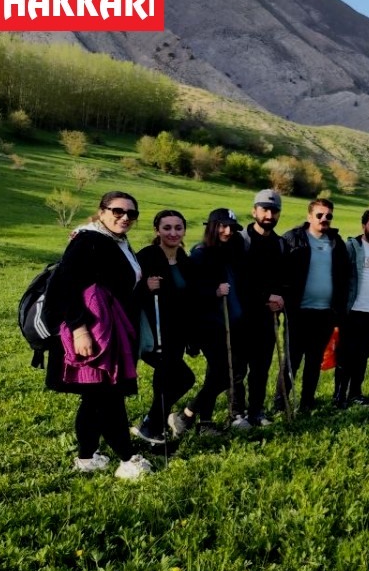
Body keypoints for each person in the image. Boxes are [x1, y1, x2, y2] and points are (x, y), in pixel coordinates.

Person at [46, 191, 152, 479]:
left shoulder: (117, 241)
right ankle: (128, 461)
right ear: (102, 211)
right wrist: (79, 329)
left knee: (94, 398)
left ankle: (86, 458)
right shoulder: (88, 240)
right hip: (93, 333)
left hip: (110, 331)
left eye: (131, 213)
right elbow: (66, 288)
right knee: (109, 397)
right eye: (118, 211)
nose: (125, 217)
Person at [176, 208, 248, 436]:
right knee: (222, 375)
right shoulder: (200, 254)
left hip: (231, 324)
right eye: (222, 226)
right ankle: (186, 414)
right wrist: (214, 292)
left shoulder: (231, 252)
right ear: (212, 227)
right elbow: (190, 292)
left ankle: (203, 422)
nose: (227, 231)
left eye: (232, 228)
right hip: (210, 325)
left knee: (219, 374)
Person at [131, 209, 196, 445]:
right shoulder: (147, 255)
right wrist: (145, 287)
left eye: (178, 228)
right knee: (181, 378)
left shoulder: (185, 259)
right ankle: (152, 425)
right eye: (167, 228)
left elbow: (190, 299)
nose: (173, 233)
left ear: (184, 231)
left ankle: (152, 425)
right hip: (153, 332)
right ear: (157, 230)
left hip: (177, 333)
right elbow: (127, 289)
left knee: (172, 379)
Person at [281, 198, 350, 413]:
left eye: (328, 216)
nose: (324, 219)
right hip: (298, 312)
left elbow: (344, 277)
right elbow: (281, 271)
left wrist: (339, 309)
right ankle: (281, 402)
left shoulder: (336, 242)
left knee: (314, 359)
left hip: (326, 313)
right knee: (292, 359)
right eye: (319, 215)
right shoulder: (293, 239)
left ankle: (307, 401)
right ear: (309, 216)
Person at [236, 188, 286, 426]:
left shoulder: (280, 244)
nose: (269, 215)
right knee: (238, 369)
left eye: (274, 211)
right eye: (265, 210)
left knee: (261, 368)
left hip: (268, 318)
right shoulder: (240, 241)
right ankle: (237, 413)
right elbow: (239, 280)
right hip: (241, 316)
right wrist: (266, 296)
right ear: (254, 211)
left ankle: (256, 412)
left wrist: (280, 299)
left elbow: (283, 280)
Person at [334, 208, 369, 407]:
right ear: (363, 225)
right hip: (353, 311)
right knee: (346, 355)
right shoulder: (352, 246)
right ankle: (339, 396)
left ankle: (355, 393)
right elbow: (340, 276)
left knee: (363, 355)